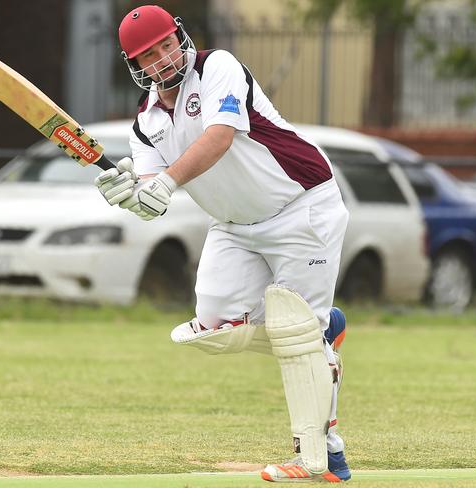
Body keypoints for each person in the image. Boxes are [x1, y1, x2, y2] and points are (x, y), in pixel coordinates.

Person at [94, 5, 351, 483]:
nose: (163, 59)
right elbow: (154, 195)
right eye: (149, 55)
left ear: (181, 37)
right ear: (135, 67)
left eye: (168, 44)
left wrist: (165, 182)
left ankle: (321, 459)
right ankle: (322, 334)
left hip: (301, 205)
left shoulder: (219, 67)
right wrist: (131, 195)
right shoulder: (145, 124)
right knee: (211, 327)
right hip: (235, 225)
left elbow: (220, 135)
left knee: (297, 337)